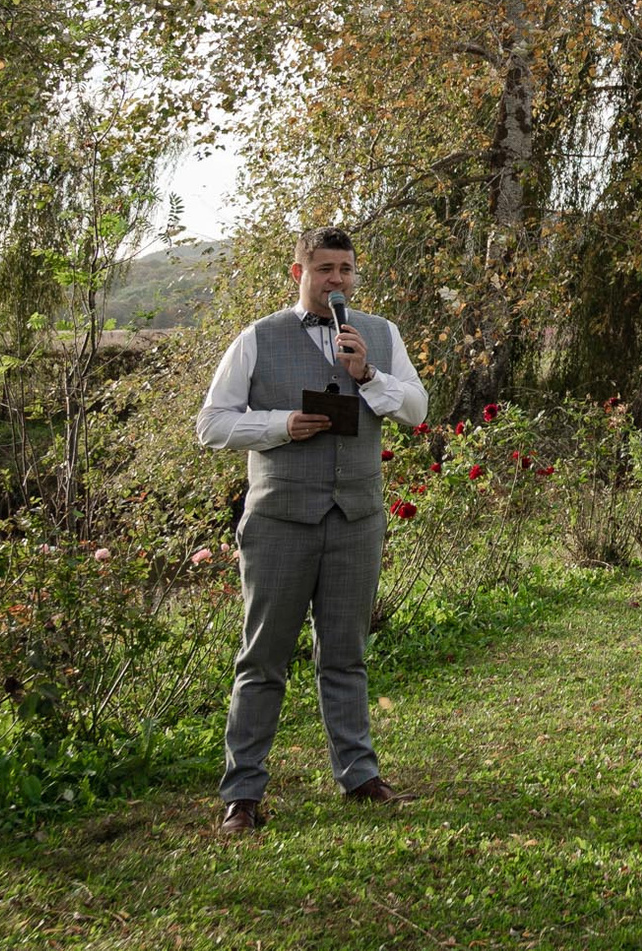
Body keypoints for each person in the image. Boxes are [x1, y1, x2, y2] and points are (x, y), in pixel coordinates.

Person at [194, 226, 429, 834]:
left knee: (346, 656)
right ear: (299, 271)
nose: (337, 280)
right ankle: (241, 795)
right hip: (279, 520)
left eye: (345, 269)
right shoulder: (259, 337)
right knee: (263, 658)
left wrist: (370, 374)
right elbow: (213, 424)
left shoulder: (379, 335)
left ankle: (358, 776)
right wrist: (278, 426)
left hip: (356, 517)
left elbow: (417, 410)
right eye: (324, 268)